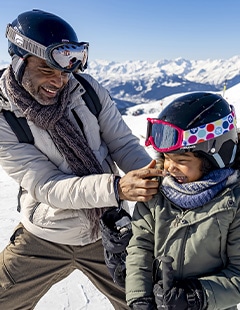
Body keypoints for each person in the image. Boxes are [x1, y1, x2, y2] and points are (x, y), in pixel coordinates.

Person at [0, 9, 162, 309]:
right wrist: (116, 188)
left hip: (108, 230)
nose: (59, 81)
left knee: (144, 302)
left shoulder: (85, 91)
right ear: (19, 61)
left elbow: (122, 144)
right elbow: (48, 186)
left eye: (64, 72)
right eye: (48, 69)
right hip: (44, 237)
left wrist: (152, 177)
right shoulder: (5, 118)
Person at [125, 92, 240, 309]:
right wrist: (139, 296)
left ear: (214, 158)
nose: (170, 168)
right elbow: (140, 246)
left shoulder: (233, 203)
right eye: (166, 158)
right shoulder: (156, 193)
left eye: (182, 160)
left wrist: (195, 297)